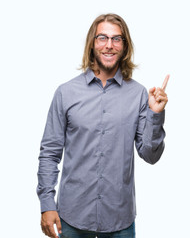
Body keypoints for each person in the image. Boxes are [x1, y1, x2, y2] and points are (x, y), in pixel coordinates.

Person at [36, 13, 169, 238]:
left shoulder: (138, 94)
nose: (109, 45)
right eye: (102, 38)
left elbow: (150, 155)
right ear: (92, 43)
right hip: (72, 218)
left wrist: (156, 114)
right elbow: (49, 153)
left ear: (125, 47)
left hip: (120, 220)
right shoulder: (66, 93)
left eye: (117, 39)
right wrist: (47, 204)